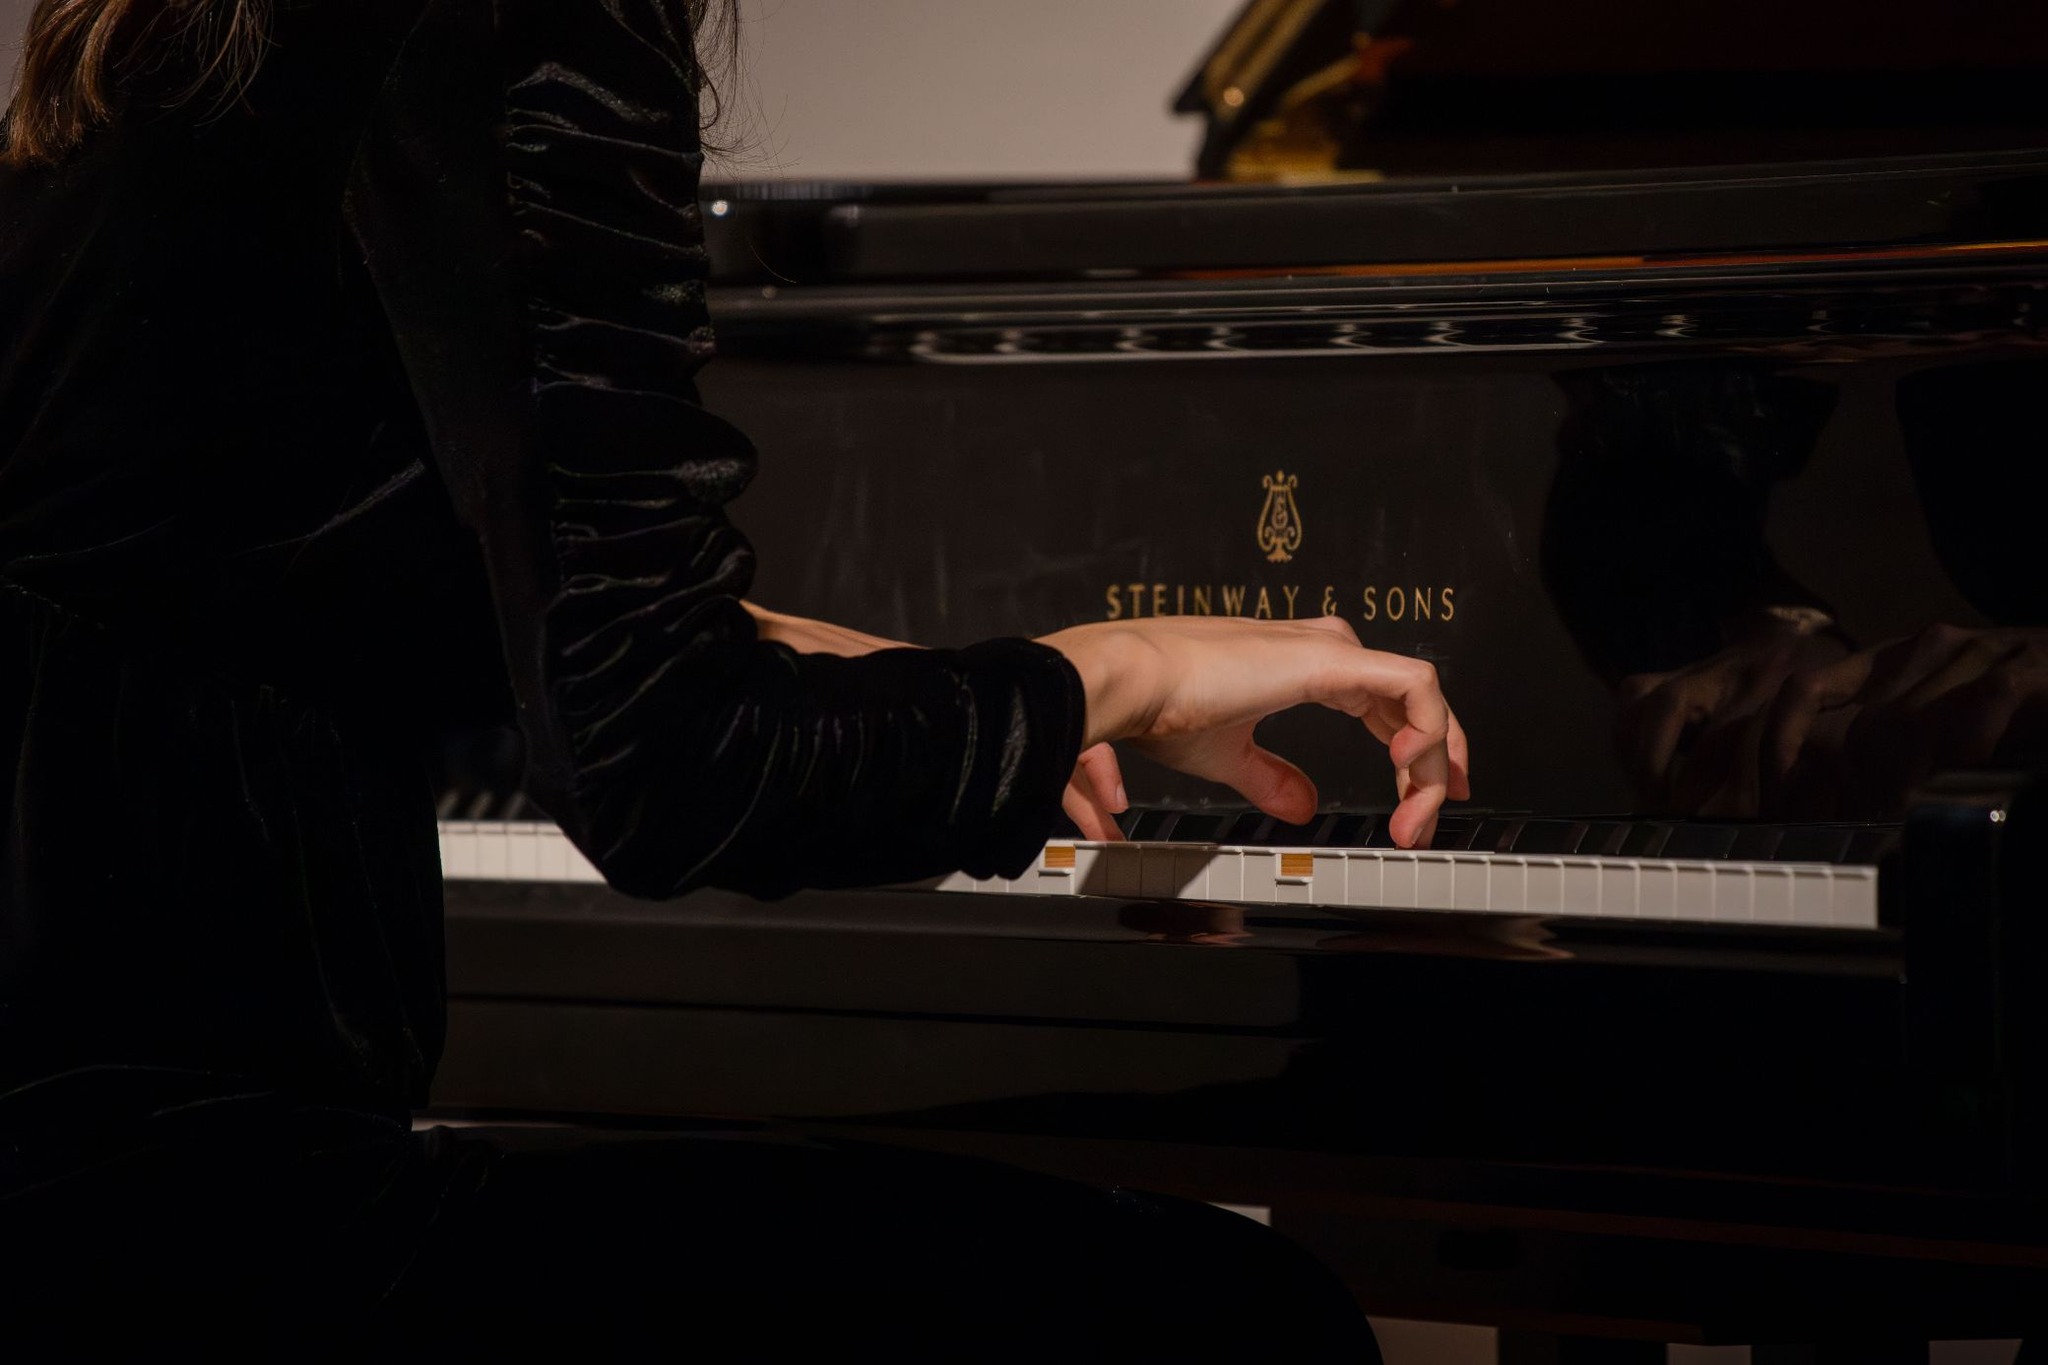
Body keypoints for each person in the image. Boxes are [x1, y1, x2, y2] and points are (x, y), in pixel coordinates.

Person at [0, 0, 1467, 1355]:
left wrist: (946, 686)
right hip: (210, 1231)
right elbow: (665, 770)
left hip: (81, 1195)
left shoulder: (193, 42)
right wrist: (1121, 669)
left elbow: (328, 569)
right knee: (1235, 1321)